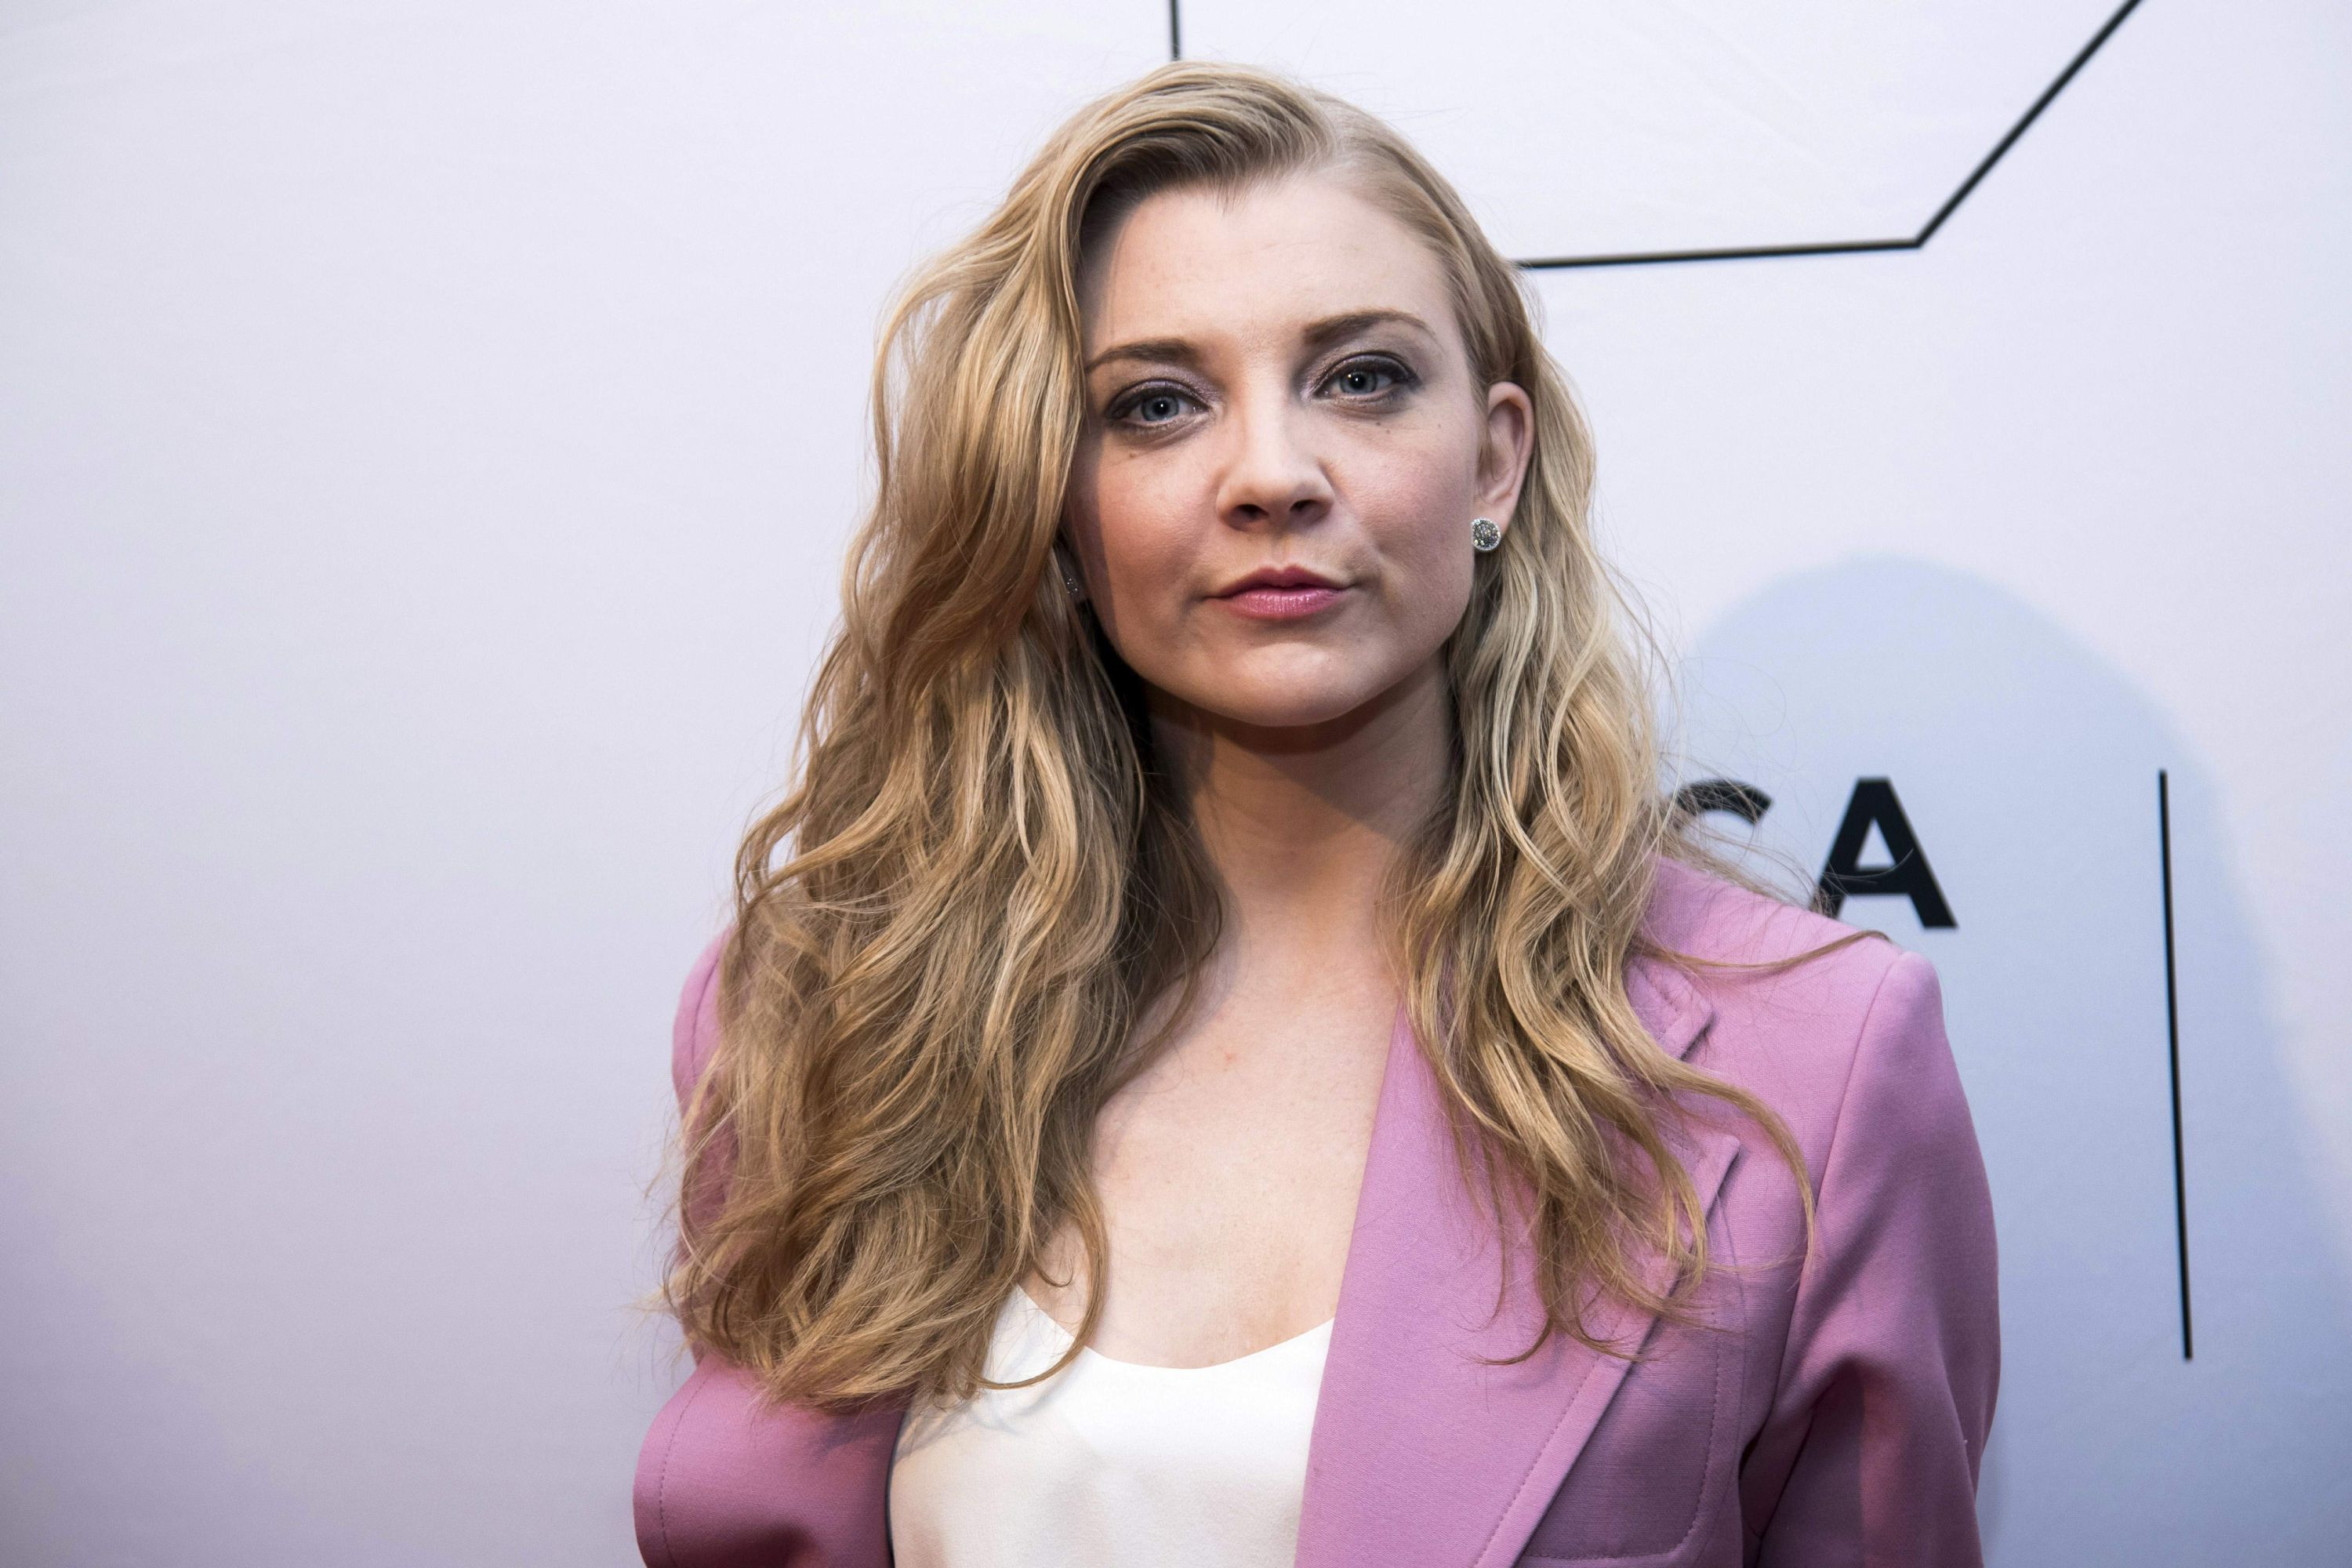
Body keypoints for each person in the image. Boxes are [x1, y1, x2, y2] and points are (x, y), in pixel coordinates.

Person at [633, 60, 1998, 1568]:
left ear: (1494, 458)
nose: (1272, 476)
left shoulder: (1813, 1069)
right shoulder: (819, 1015)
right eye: (1157, 405)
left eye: (1360, 379)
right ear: (1057, 506)